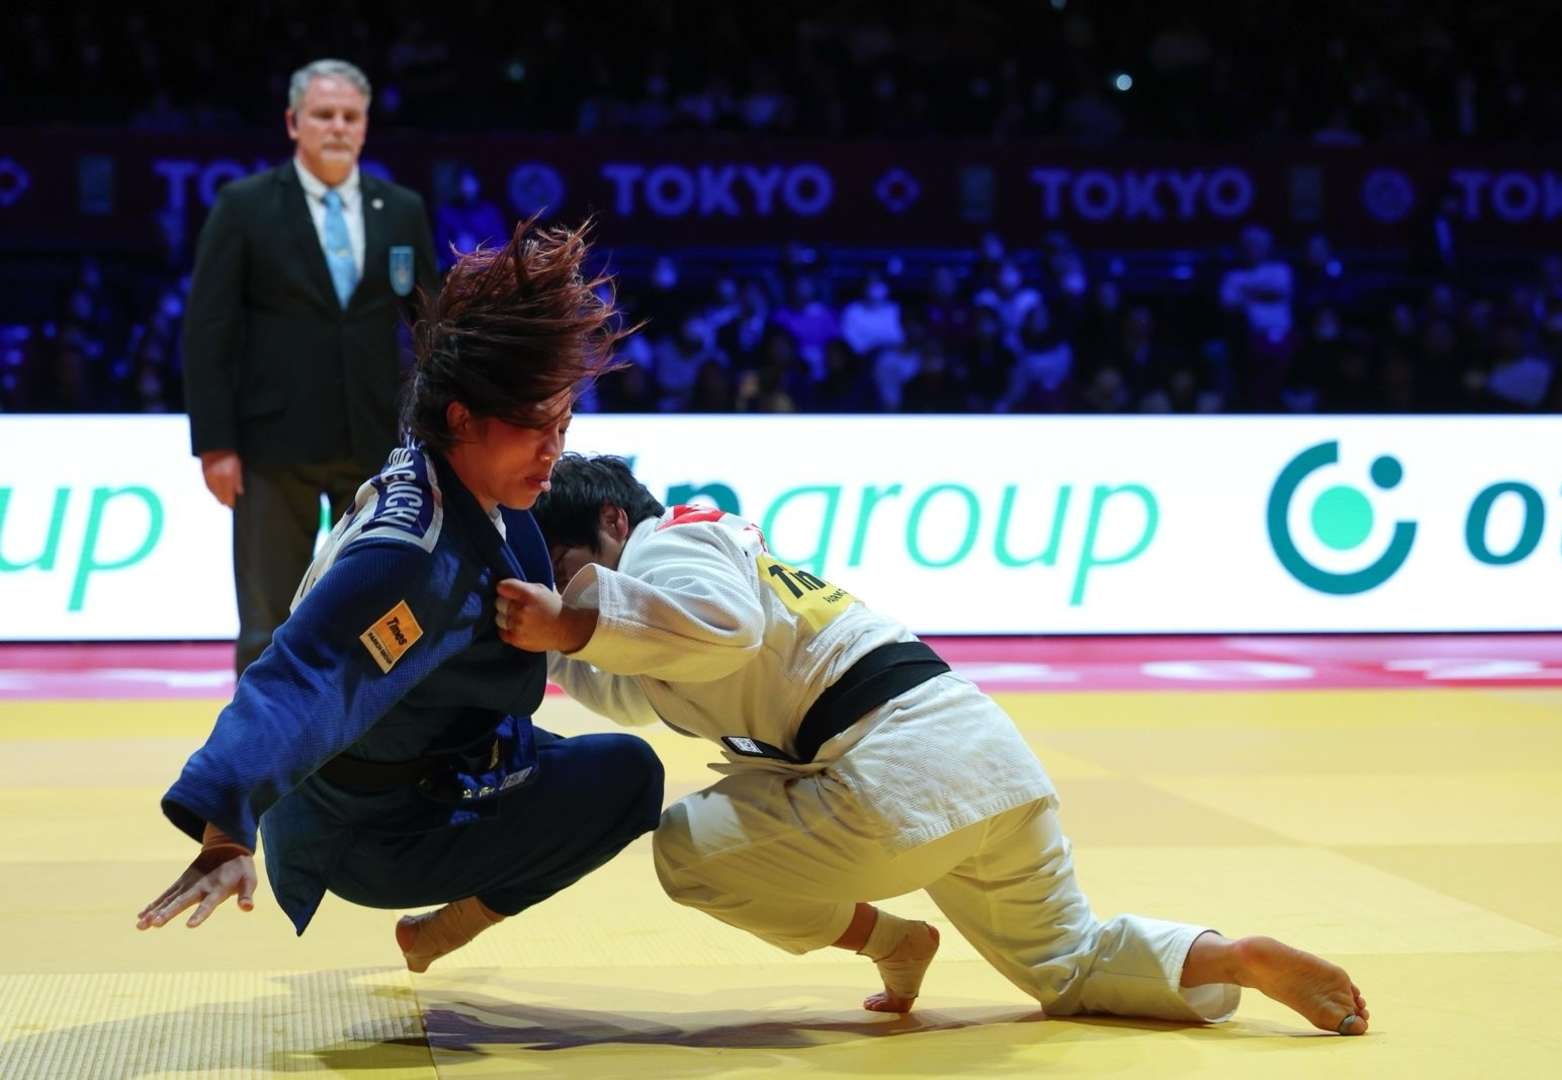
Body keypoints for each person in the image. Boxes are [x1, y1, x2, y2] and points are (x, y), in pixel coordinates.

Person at [498, 454, 1371, 1036]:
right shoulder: (679, 582)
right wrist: (544, 641)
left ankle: (892, 942)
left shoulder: (671, 546)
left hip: (892, 770)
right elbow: (632, 677)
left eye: (568, 566)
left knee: (688, 850)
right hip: (981, 755)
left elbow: (716, 628)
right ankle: (1230, 960)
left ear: (614, 521)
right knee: (1069, 966)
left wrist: (570, 623)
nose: (572, 590)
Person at [138, 221, 664, 977]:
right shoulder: (413, 561)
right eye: (534, 428)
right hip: (374, 830)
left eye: (563, 424)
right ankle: (452, 924)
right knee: (631, 779)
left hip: (442, 752)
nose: (554, 450)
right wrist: (226, 822)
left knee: (607, 759)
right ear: (462, 418)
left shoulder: (453, 473)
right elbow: (305, 674)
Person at [182, 58, 443, 677]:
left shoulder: (399, 208)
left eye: (351, 116)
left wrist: (437, 433)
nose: (338, 127)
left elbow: (429, 326)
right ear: (293, 123)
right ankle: (259, 736)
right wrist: (215, 444)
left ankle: (375, 729)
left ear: (366, 125)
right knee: (269, 617)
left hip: (375, 437)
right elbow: (209, 330)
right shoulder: (244, 206)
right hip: (272, 443)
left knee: (379, 607)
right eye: (324, 115)